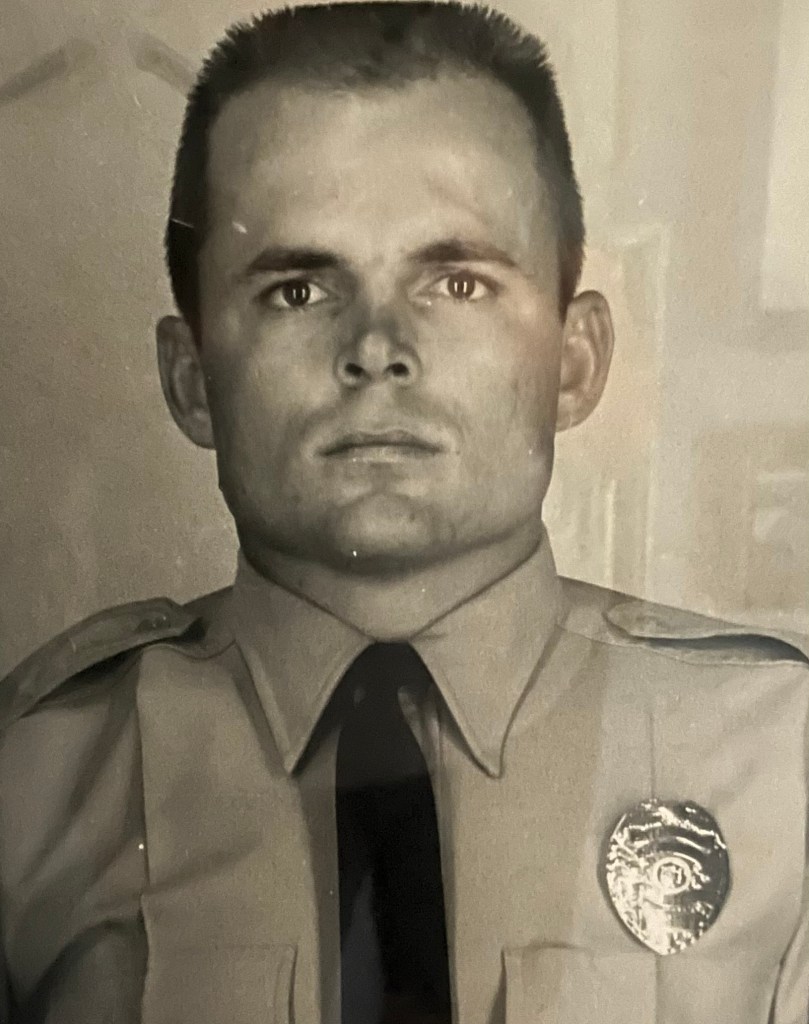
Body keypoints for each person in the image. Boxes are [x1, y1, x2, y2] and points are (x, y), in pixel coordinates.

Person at [1, 3, 807, 1022]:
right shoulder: (35, 784)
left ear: (573, 360)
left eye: (457, 282)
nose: (376, 348)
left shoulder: (782, 771)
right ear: (192, 378)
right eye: (298, 290)